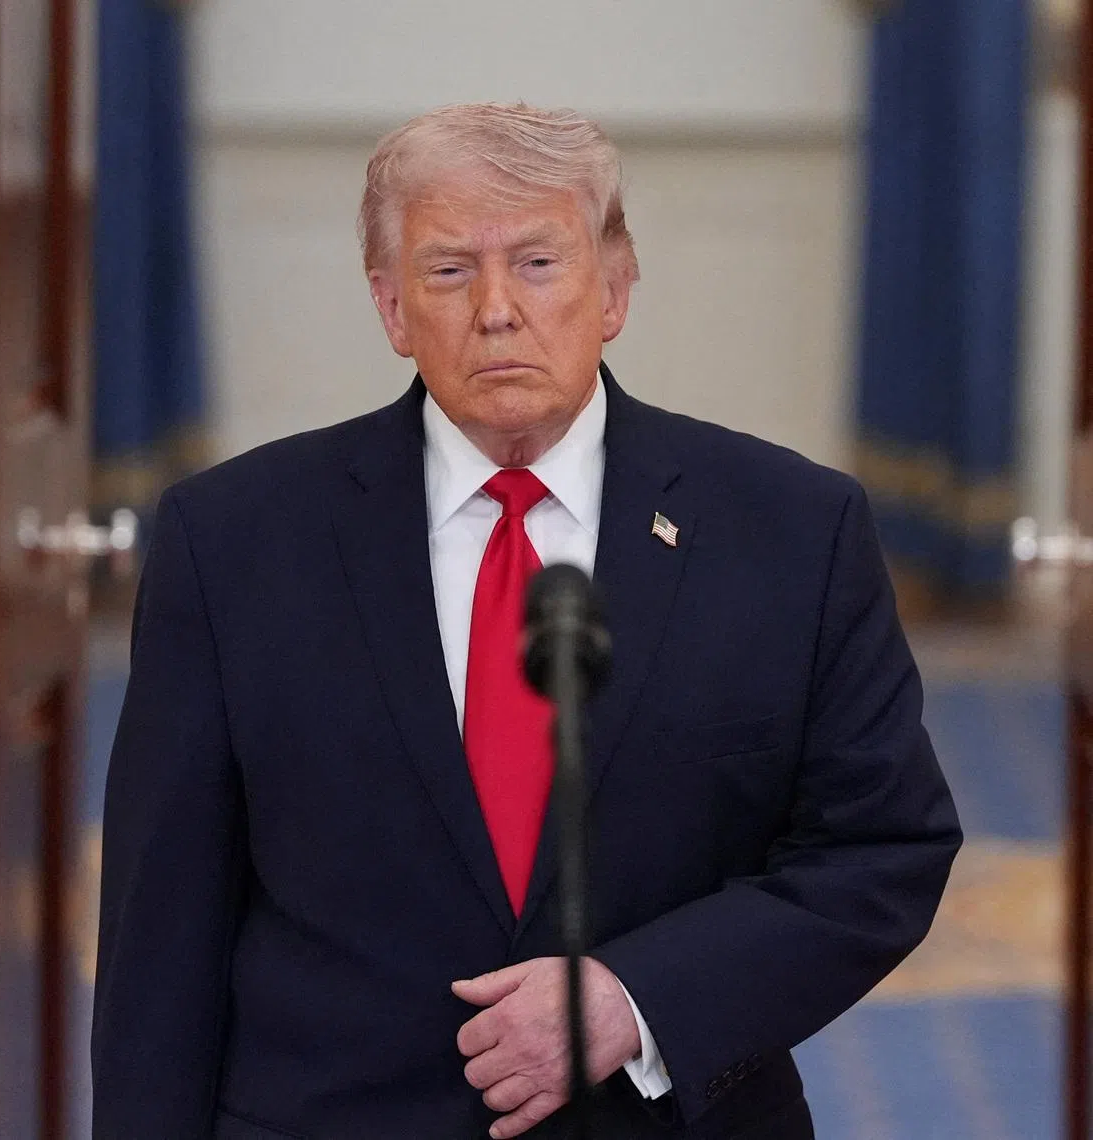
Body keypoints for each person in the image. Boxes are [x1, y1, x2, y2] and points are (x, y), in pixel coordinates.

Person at [91, 102, 961, 1140]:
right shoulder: (231, 543)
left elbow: (882, 849)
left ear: (616, 289)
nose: (497, 309)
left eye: (540, 263)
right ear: (391, 308)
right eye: (449, 270)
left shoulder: (792, 531)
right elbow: (161, 937)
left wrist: (636, 1001)